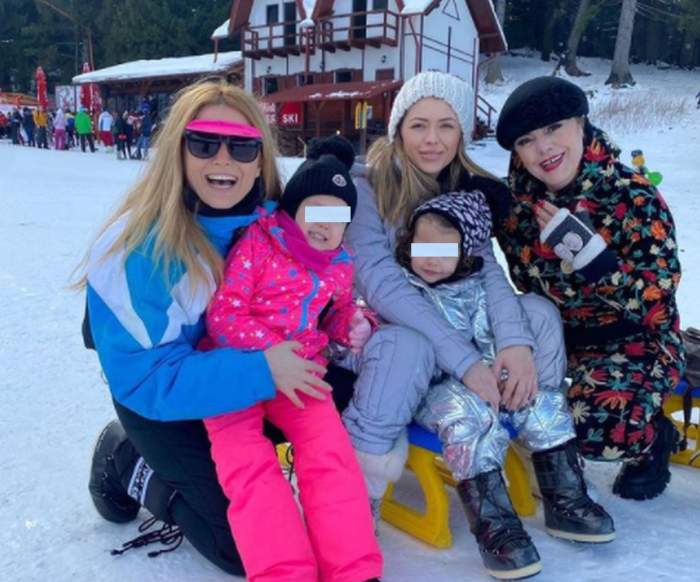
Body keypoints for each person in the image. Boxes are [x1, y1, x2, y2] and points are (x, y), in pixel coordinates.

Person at [341, 71, 607, 578]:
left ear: (462, 132)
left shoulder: (465, 189)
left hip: (462, 326)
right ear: (398, 129)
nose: (432, 139)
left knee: (537, 312)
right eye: (419, 125)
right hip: (397, 344)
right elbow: (381, 285)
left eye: (446, 125)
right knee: (406, 345)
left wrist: (515, 345)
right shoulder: (367, 187)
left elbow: (488, 273)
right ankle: (360, 495)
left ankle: (549, 455)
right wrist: (465, 362)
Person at [80, 78, 335, 575]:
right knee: (246, 546)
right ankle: (127, 460)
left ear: (260, 159)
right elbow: (145, 377)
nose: (224, 159)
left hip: (242, 376)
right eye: (204, 143)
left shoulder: (277, 228)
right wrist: (262, 371)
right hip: (158, 397)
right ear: (178, 151)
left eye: (242, 147)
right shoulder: (137, 250)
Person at [395, 190, 614, 579]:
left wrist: (504, 374)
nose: (430, 260)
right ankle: (495, 528)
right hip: (432, 390)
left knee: (540, 401)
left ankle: (565, 498)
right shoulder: (403, 289)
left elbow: (492, 335)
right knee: (472, 417)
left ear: (464, 254)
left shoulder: (477, 286)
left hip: (483, 378)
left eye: (444, 252)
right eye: (422, 248)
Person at [200, 134, 383, 581]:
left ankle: (353, 568)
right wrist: (273, 354)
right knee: (249, 464)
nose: (325, 226)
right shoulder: (260, 243)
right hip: (232, 367)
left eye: (337, 218)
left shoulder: (339, 262)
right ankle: (283, 571)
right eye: (316, 211)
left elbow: (337, 311)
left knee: (330, 452)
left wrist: (352, 323)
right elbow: (223, 314)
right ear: (293, 209)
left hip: (299, 373)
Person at [495, 76, 685, 500]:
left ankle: (652, 436)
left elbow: (658, 300)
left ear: (581, 124)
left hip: (634, 339)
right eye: (527, 140)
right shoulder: (515, 207)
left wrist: (595, 261)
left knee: (597, 429)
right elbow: (449, 236)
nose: (544, 148)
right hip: (554, 339)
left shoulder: (632, 196)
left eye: (553, 128)